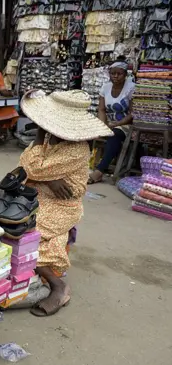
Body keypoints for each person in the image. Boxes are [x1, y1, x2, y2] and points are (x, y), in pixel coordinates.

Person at [18, 89, 112, 316]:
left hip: (61, 205)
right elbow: (24, 164)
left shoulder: (77, 149)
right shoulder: (52, 138)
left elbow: (32, 168)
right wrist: (50, 178)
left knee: (24, 235)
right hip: (37, 194)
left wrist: (40, 138)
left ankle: (58, 286)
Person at [88, 60, 135, 184]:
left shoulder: (130, 88)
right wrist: (103, 125)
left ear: (125, 74)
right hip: (109, 123)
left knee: (114, 135)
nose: (115, 76)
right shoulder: (105, 87)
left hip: (125, 124)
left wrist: (115, 125)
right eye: (113, 73)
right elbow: (101, 109)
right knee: (89, 131)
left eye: (119, 74)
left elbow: (132, 113)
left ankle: (99, 171)